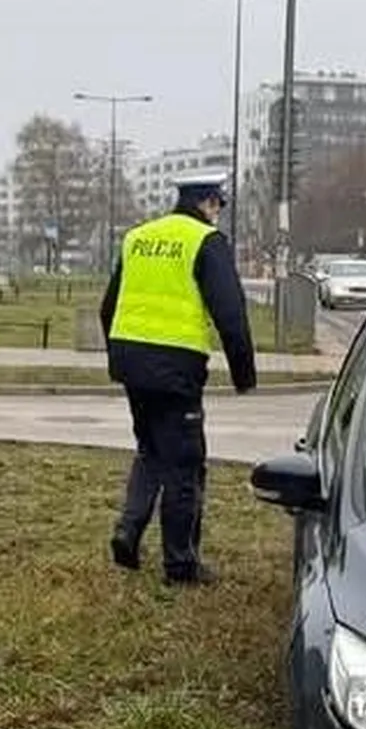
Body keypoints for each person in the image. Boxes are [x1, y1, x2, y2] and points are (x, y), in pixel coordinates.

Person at [99, 176, 258, 585]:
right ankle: (181, 564)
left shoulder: (138, 237)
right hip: (176, 368)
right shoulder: (206, 240)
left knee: (150, 450)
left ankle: (128, 531)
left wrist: (120, 353)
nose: (218, 213)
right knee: (185, 466)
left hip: (130, 361)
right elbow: (231, 314)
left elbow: (108, 306)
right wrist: (244, 375)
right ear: (209, 203)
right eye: (219, 205)